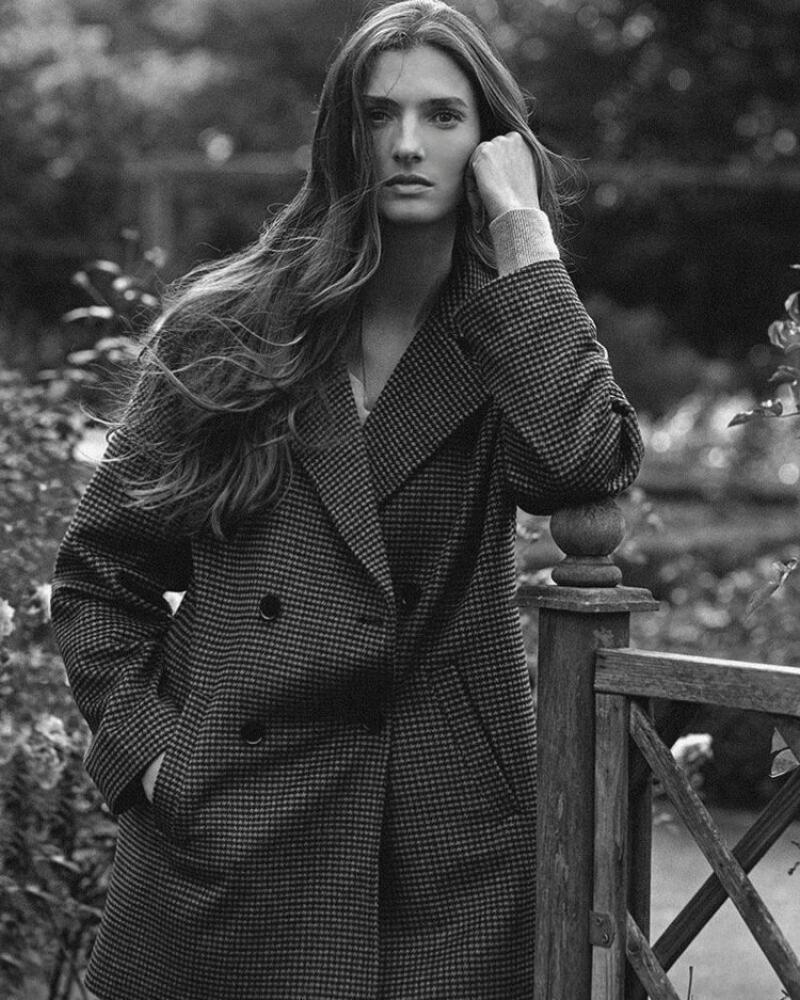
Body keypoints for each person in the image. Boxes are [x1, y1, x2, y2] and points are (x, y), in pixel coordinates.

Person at [51, 1, 643, 997]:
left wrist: (524, 235)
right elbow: (98, 579)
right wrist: (160, 764)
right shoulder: (231, 328)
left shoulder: (508, 332)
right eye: (378, 115)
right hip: (230, 824)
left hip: (441, 844)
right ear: (341, 137)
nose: (406, 144)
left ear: (491, 142)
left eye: (442, 116)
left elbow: (585, 465)